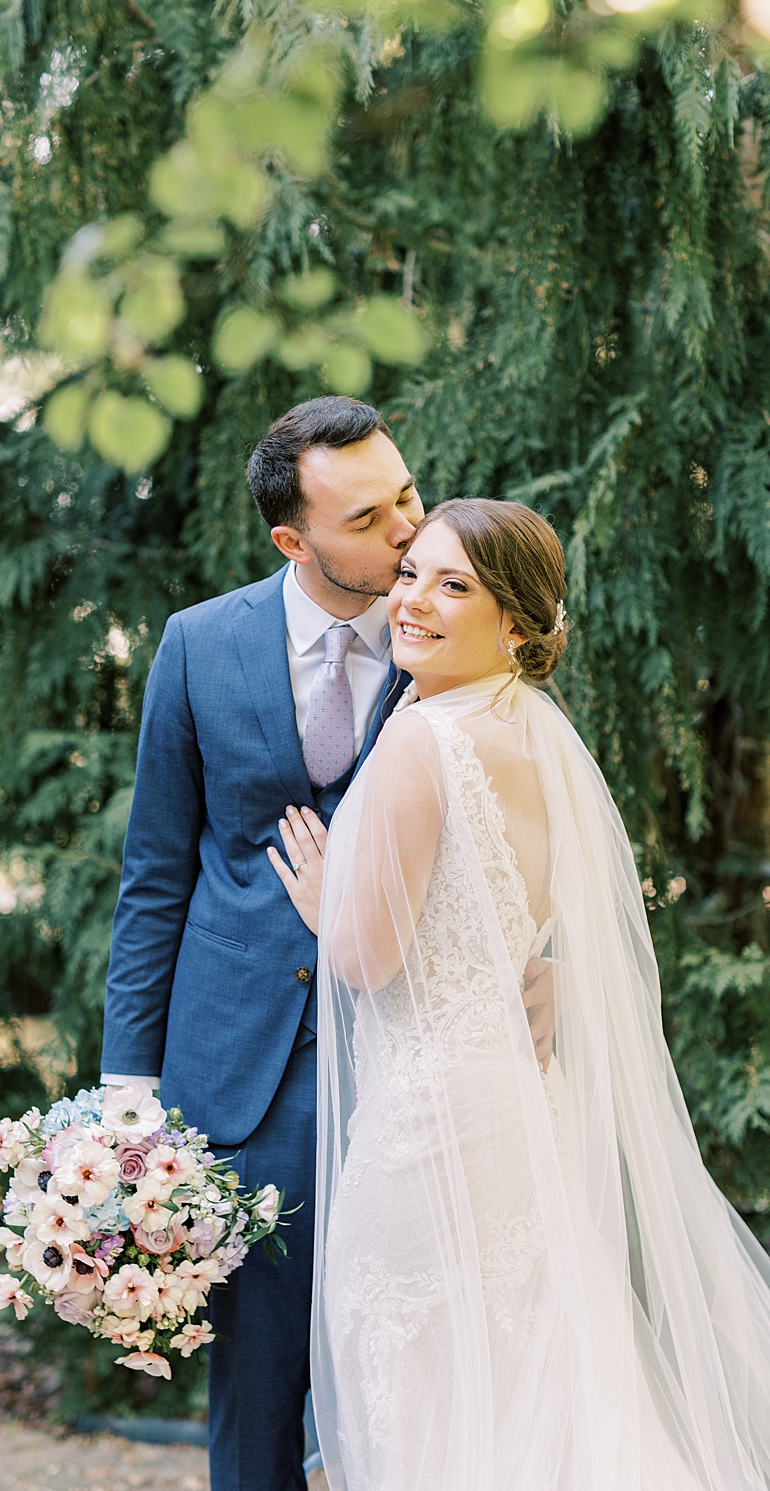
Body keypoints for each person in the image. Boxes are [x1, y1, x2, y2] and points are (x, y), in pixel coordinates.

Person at [272, 500, 770, 1488]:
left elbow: (373, 960)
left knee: (425, 1384)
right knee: (531, 1375)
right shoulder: (535, 731)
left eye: (452, 585)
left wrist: (328, 900)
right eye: (410, 571)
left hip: (427, 1122)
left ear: (515, 624)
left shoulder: (423, 739)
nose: (412, 599)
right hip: (511, 1100)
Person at [100, 397, 422, 1491]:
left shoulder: (451, 635)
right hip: (247, 1067)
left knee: (411, 1371)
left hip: (409, 1046)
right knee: (256, 1390)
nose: (407, 531)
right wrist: (125, 1086)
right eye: (369, 515)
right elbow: (154, 874)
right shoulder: (199, 644)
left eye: (407, 494)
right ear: (292, 540)